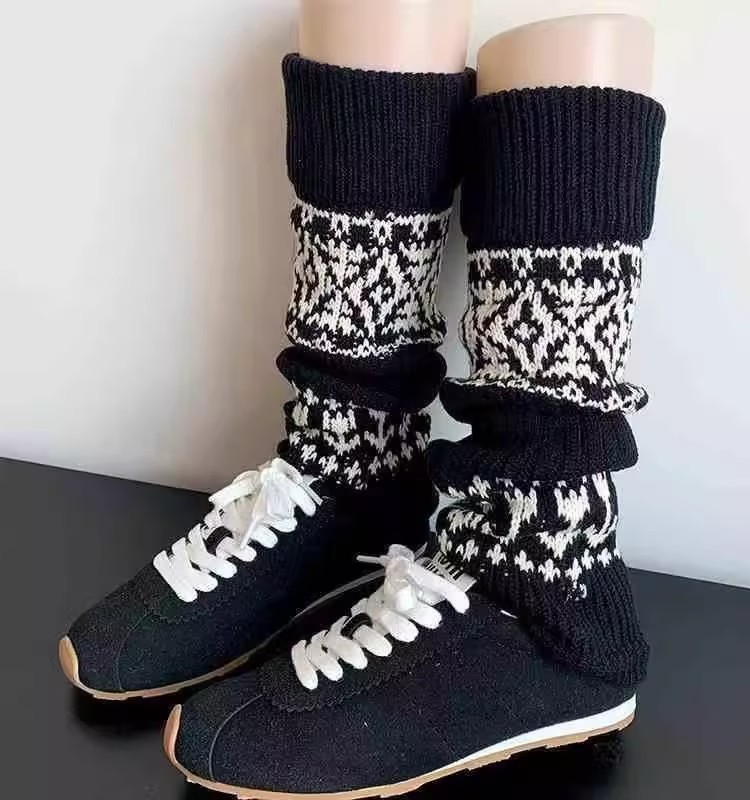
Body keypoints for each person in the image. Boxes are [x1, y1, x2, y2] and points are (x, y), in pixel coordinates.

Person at [61, 1, 665, 795]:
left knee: (563, 78)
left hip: (534, 583)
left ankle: (547, 585)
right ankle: (354, 460)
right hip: (410, 506)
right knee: (383, 30)